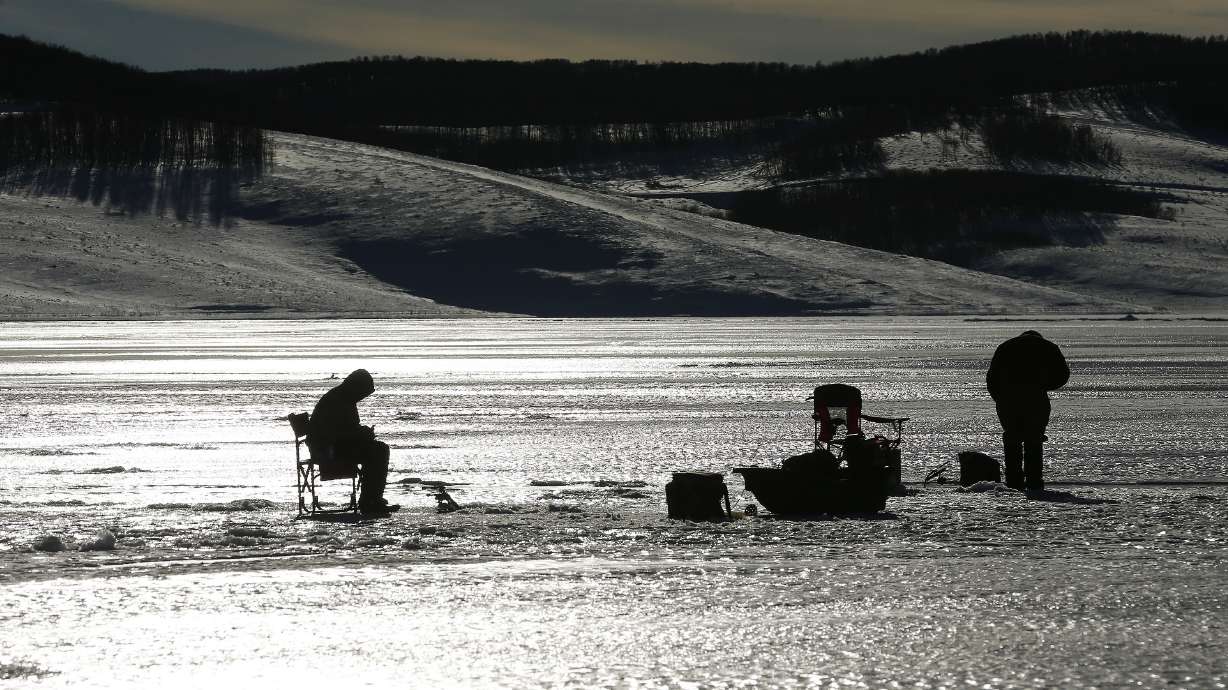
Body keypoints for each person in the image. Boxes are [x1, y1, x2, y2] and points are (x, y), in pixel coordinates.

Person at [986, 330, 1070, 491]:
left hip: (1008, 400)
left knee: (1012, 439)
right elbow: (1063, 374)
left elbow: (991, 378)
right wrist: (1043, 386)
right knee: (1034, 439)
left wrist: (1001, 399)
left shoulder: (1005, 347)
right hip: (1036, 400)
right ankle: (1035, 482)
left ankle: (1013, 482)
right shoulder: (1048, 347)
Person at [307, 368, 397, 514]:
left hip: (332, 447)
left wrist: (362, 433)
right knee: (378, 451)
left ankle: (372, 498)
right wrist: (362, 434)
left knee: (378, 449)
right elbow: (338, 433)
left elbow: (347, 430)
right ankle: (370, 500)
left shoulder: (343, 397)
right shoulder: (338, 400)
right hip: (328, 451)